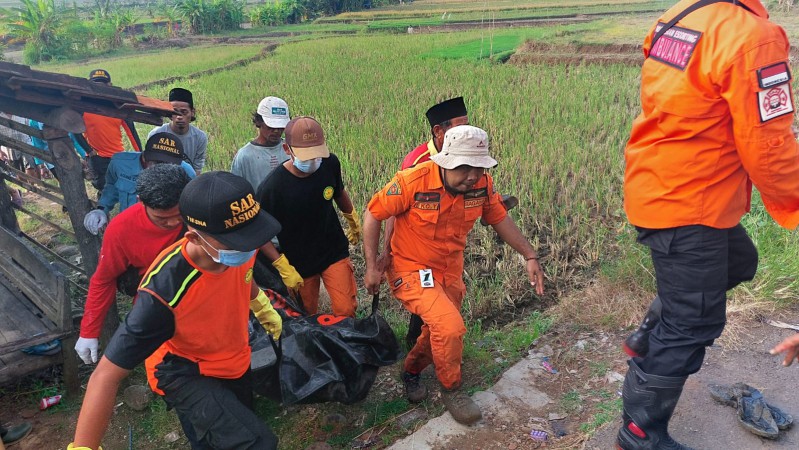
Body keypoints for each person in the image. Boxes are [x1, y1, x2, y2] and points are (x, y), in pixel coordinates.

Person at [617, 0, 799, 448]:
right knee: (693, 323)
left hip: (660, 184)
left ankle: (647, 335)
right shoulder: (752, 36)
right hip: (689, 202)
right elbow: (768, 148)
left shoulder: (680, 16)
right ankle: (639, 432)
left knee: (740, 263)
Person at [69, 171, 283, 450]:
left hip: (232, 357)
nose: (249, 246)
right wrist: (84, 446)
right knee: (256, 443)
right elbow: (105, 376)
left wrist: (265, 310)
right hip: (183, 369)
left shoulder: (237, 242)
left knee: (228, 432)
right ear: (193, 236)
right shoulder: (164, 292)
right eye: (239, 243)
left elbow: (244, 276)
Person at [363, 125, 545, 425]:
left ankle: (410, 370)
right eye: (463, 166)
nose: (472, 175)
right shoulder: (413, 181)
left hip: (449, 269)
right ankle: (452, 390)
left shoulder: (482, 185)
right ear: (446, 160)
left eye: (478, 166)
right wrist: (372, 266)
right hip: (410, 267)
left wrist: (530, 254)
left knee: (439, 329)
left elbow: (498, 216)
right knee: (450, 328)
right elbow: (373, 214)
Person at [74, 164, 192, 365]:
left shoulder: (200, 211)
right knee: (163, 359)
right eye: (162, 219)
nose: (173, 223)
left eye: (179, 216)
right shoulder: (121, 229)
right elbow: (104, 280)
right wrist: (88, 332)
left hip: (198, 290)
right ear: (141, 202)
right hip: (156, 299)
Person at [256, 116, 361, 317]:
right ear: (288, 150)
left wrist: (352, 218)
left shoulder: (330, 163)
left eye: (317, 154)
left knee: (345, 309)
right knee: (306, 314)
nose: (313, 161)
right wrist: (281, 265)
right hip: (299, 260)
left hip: (333, 249)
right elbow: (258, 231)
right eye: (306, 156)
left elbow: (338, 192)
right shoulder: (273, 187)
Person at [83, 132, 196, 235]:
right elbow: (111, 187)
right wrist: (101, 209)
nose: (161, 168)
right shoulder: (120, 164)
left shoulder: (186, 172)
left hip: (166, 233)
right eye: (157, 163)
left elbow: (191, 205)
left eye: (168, 164)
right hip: (129, 228)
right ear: (144, 156)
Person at [78, 69, 142, 193]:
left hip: (117, 155)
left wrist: (141, 156)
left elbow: (131, 133)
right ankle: (103, 211)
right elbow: (75, 131)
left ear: (110, 86)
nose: (100, 88)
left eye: (103, 84)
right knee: (102, 187)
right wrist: (89, 151)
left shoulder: (118, 107)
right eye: (96, 85)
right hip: (97, 157)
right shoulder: (84, 107)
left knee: (123, 187)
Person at [231, 96, 291, 191]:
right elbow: (236, 190)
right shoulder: (245, 156)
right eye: (271, 126)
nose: (276, 131)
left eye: (280, 127)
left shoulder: (290, 150)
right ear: (259, 122)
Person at [148, 88, 208, 173]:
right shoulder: (156, 134)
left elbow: (197, 170)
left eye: (184, 112)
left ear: (192, 112)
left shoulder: (200, 138)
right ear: (169, 113)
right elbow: (150, 167)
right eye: (175, 112)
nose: (179, 117)